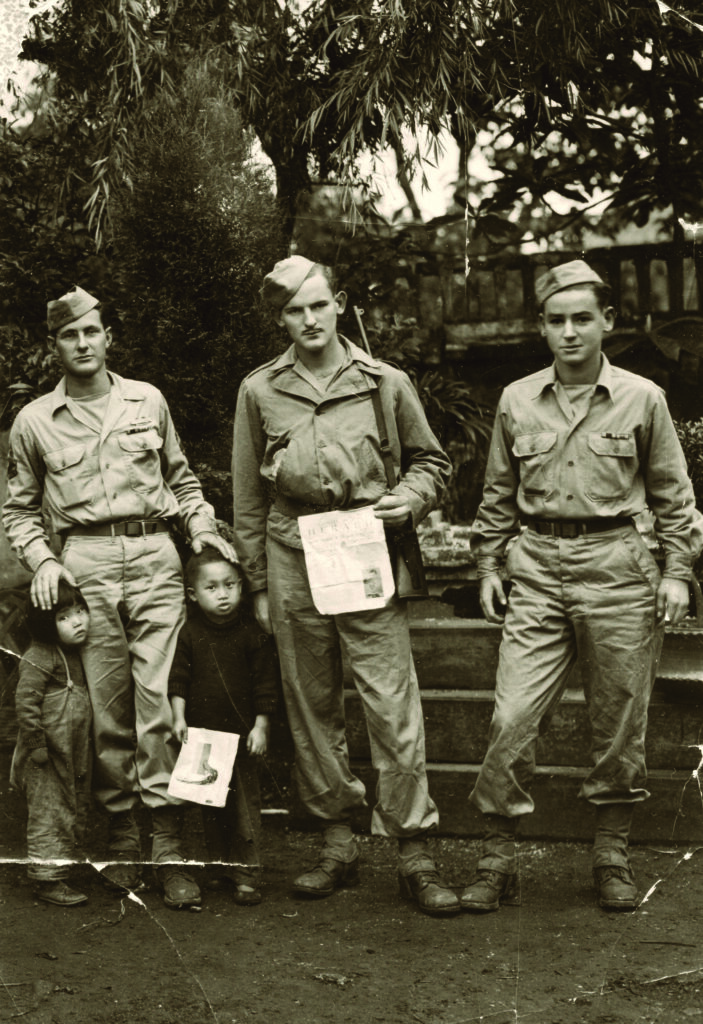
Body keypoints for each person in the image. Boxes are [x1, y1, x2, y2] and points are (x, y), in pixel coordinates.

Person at [462, 259, 703, 913]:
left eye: (581, 319)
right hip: (536, 567)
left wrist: (676, 572)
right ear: (541, 327)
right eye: (555, 320)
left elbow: (672, 495)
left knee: (617, 723)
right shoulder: (516, 400)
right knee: (510, 718)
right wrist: (487, 566)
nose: (569, 332)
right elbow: (496, 494)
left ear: (606, 323)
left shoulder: (640, 399)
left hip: (618, 569)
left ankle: (610, 856)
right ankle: (497, 858)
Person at [232, 255, 460, 916]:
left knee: (391, 703)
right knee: (309, 705)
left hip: (363, 549)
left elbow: (431, 462)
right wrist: (257, 587)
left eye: (316, 305)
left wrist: (409, 500)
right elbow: (247, 498)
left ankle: (413, 851)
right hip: (292, 551)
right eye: (292, 310)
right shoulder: (259, 391)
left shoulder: (384, 383)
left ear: (338, 303)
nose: (306, 319)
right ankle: (337, 841)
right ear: (281, 318)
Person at [3, 285, 237, 909]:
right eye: (68, 335)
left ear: (108, 337)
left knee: (161, 699)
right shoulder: (34, 422)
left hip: (157, 556)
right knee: (106, 710)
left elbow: (183, 481)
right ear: (53, 346)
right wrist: (45, 560)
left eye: (91, 332)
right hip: (85, 564)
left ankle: (166, 841)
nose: (82, 344)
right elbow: (19, 513)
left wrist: (205, 532)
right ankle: (124, 833)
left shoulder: (147, 401)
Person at [168, 547, 279, 905]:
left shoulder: (251, 633)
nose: (223, 594)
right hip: (203, 736)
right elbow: (179, 680)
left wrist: (261, 727)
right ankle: (217, 867)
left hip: (242, 737)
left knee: (244, 808)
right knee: (210, 808)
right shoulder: (189, 633)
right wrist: (178, 717)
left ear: (241, 588)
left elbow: (265, 685)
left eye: (230, 585)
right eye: (212, 587)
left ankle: (247, 874)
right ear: (193, 594)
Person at [11, 581, 93, 906]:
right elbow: (26, 700)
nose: (78, 621)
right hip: (45, 754)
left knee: (69, 808)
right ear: (46, 622)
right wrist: (35, 743)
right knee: (48, 811)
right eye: (64, 616)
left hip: (69, 750)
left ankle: (60, 872)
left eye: (81, 611)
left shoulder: (74, 654)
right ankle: (47, 880)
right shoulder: (40, 655)